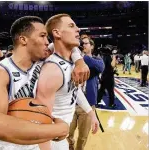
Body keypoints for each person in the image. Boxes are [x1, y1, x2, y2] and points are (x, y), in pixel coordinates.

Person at [0, 16, 69, 150]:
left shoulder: (42, 63)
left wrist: (79, 60)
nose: (47, 42)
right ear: (23, 39)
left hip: (34, 145)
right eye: (43, 36)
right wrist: (57, 129)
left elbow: (67, 45)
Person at [36, 14, 99, 150]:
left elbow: (73, 90)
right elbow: (40, 118)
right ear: (57, 33)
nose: (78, 29)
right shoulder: (52, 69)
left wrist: (91, 113)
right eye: (71, 26)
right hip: (52, 141)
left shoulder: (71, 60)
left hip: (60, 138)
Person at [67, 37, 104, 150]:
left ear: (92, 46)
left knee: (83, 137)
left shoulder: (96, 60)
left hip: (87, 105)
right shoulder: (71, 59)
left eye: (86, 43)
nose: (83, 45)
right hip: (71, 104)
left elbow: (100, 67)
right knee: (68, 134)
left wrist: (81, 57)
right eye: (81, 43)